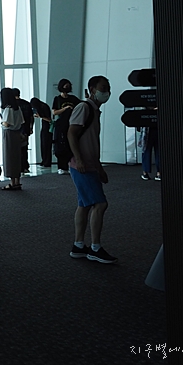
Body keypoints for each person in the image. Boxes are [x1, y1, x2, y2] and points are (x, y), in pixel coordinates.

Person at [67, 75, 117, 264]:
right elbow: (71, 133)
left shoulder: (94, 111)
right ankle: (95, 248)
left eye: (108, 88)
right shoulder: (84, 107)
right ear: (92, 90)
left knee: (85, 204)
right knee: (100, 204)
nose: (106, 92)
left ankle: (79, 245)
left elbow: (90, 141)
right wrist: (79, 159)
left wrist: (98, 167)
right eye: (103, 88)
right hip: (81, 166)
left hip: (87, 165)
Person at [51, 79, 80, 175]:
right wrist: (65, 109)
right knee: (61, 145)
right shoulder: (57, 99)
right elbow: (54, 112)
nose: (67, 88)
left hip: (71, 123)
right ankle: (61, 166)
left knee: (71, 143)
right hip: (61, 124)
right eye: (65, 86)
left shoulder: (73, 99)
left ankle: (71, 164)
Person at [0, 88, 25, 190]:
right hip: (17, 133)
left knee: (9, 157)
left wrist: (2, 121)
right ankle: (17, 181)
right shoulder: (17, 108)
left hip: (9, 134)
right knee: (16, 157)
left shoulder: (8, 108)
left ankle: (12, 182)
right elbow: (21, 121)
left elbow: (7, 123)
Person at [13, 88, 33, 174]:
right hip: (26, 128)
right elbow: (31, 117)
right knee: (24, 148)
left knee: (16, 149)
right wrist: (31, 127)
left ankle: (18, 167)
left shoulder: (13, 105)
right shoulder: (27, 104)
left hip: (16, 129)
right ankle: (25, 166)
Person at [30, 97, 52, 168]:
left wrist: (40, 116)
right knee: (43, 145)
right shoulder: (42, 106)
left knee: (46, 145)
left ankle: (47, 162)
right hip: (44, 127)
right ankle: (44, 160)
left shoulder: (44, 107)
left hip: (48, 128)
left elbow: (49, 119)